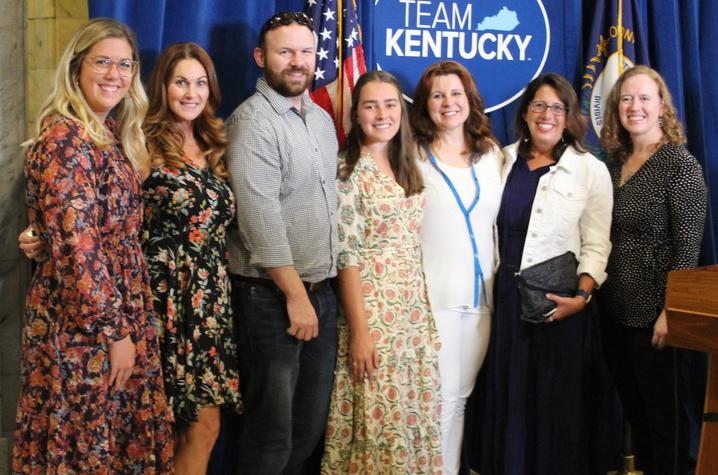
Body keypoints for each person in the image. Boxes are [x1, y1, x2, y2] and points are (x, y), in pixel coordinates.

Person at [12, 18, 173, 473]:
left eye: (124, 64)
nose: (114, 74)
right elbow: (79, 251)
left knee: (116, 441)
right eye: (102, 61)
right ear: (77, 68)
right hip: (84, 325)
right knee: (88, 442)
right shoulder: (66, 140)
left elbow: (74, 227)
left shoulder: (110, 135)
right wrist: (115, 332)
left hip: (117, 306)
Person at [479, 73, 613, 475]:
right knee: (510, 397)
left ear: (570, 116)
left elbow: (596, 244)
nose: (547, 114)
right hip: (504, 301)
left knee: (553, 403)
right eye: (539, 105)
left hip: (559, 308)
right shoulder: (499, 160)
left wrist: (582, 297)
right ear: (525, 113)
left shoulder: (590, 170)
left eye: (557, 107)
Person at [224, 11, 339, 474]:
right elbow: (259, 219)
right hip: (271, 300)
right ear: (261, 58)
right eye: (285, 52)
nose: (297, 62)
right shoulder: (251, 122)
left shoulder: (321, 122)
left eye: (306, 52)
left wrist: (315, 297)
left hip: (320, 294)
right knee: (271, 435)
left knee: (308, 431)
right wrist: (295, 296)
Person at [321, 71, 443, 473]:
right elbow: (347, 256)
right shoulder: (347, 172)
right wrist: (360, 331)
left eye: (390, 104)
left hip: (410, 313)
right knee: (379, 416)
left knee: (410, 416)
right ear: (355, 115)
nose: (382, 113)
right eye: (371, 105)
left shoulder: (405, 164)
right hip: (373, 315)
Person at [598, 65, 707, 475]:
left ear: (662, 107)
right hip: (614, 312)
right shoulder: (612, 164)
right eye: (627, 98)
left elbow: (688, 245)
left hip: (656, 318)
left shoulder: (680, 165)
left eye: (644, 98)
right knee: (637, 416)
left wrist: (671, 311)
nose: (635, 107)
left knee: (666, 424)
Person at [142, 42, 242, 474]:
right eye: (181, 82)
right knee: (156, 433)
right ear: (162, 86)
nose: (191, 92)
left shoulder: (215, 145)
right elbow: (104, 210)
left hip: (208, 309)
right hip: (160, 303)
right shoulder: (142, 143)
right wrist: (37, 233)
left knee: (204, 428)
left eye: (200, 83)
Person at [409, 60, 503, 475]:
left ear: (471, 101)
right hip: (434, 298)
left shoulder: (493, 155)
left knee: (460, 397)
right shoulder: (412, 154)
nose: (448, 103)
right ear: (426, 104)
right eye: (438, 95)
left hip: (482, 297)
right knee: (438, 399)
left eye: (456, 94)